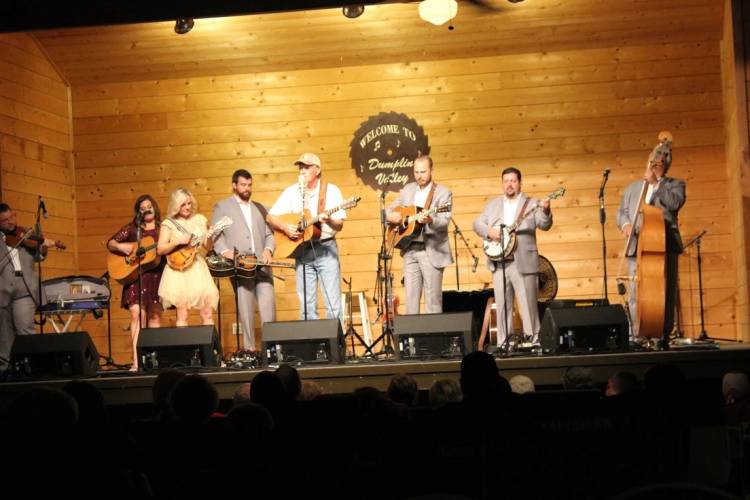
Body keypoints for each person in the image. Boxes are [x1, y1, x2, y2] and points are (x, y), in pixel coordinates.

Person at [473, 167, 552, 349]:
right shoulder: (493, 205)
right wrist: (489, 231)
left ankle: (534, 341)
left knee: (528, 304)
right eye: (506, 181)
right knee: (502, 306)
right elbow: (477, 223)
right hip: (499, 263)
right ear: (502, 184)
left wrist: (546, 211)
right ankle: (504, 343)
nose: (509, 184)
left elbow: (544, 224)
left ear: (520, 183)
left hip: (522, 260)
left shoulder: (532, 203)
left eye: (513, 181)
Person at [617, 132, 685, 341]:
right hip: (636, 245)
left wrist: (657, 184)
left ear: (667, 166)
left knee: (665, 292)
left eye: (662, 163)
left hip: (664, 245)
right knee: (636, 294)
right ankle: (637, 334)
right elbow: (621, 212)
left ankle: (662, 334)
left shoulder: (675, 184)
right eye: (654, 161)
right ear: (649, 161)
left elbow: (674, 204)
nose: (657, 165)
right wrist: (626, 224)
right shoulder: (632, 188)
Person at [267, 153, 346, 320]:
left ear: (317, 170)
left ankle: (335, 344)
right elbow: (270, 217)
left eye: (306, 167)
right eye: (300, 167)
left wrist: (329, 219)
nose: (302, 171)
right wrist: (285, 227)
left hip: (326, 249)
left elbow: (339, 224)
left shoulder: (330, 191)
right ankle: (312, 345)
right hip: (302, 251)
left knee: (333, 304)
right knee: (306, 307)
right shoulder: (292, 192)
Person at [212, 169, 275, 351]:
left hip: (262, 266)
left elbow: (269, 235)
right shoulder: (222, 207)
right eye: (243, 185)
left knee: (268, 307)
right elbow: (216, 235)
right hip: (241, 266)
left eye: (249, 185)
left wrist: (268, 250)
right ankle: (250, 350)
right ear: (234, 185)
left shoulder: (261, 207)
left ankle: (270, 349)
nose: (247, 188)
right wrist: (224, 251)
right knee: (245, 309)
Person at [385, 154, 452, 314]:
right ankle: (412, 338)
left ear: (431, 170)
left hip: (431, 250)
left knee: (432, 301)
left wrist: (430, 219)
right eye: (416, 172)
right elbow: (392, 208)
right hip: (409, 249)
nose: (419, 176)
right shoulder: (408, 189)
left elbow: (444, 221)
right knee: (411, 300)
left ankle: (434, 338)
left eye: (423, 172)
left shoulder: (443, 192)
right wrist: (389, 216)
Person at [107, 195, 165, 370]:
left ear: (154, 208)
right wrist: (122, 247)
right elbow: (111, 243)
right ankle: (136, 360)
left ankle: (154, 361)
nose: (147, 209)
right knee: (136, 315)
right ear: (138, 212)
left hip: (156, 274)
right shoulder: (133, 229)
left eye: (149, 206)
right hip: (135, 276)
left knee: (155, 315)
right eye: (142, 207)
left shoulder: (163, 229)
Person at [0, 203, 55, 370]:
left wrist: (43, 247)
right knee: (4, 335)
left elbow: (38, 256)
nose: (11, 222)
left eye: (12, 217)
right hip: (2, 290)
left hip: (24, 288)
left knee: (25, 329)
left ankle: (31, 368)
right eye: (5, 220)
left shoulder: (25, 234)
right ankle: (5, 370)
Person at [157, 188, 219, 326]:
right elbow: (160, 249)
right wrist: (177, 241)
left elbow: (208, 247)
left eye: (189, 204)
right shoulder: (169, 223)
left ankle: (209, 347)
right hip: (178, 271)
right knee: (183, 314)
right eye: (183, 204)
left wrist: (209, 237)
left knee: (207, 313)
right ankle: (184, 347)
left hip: (197, 268)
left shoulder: (199, 220)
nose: (187, 207)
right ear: (176, 205)